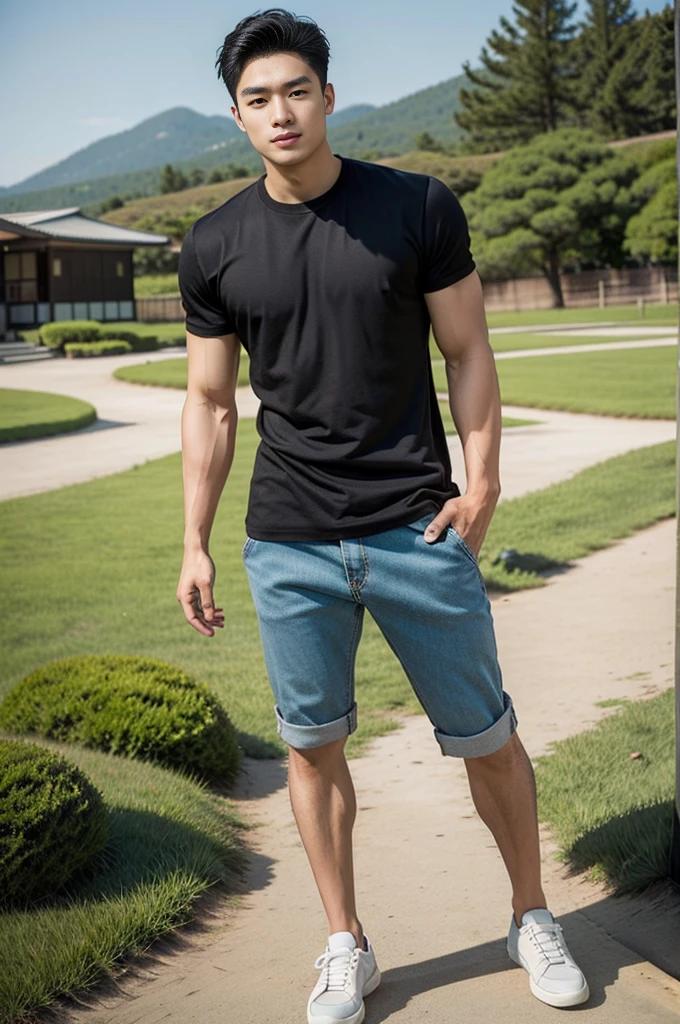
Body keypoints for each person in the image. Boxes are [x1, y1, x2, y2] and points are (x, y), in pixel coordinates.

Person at [176, 9, 590, 1022]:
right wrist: (192, 537)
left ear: (327, 94)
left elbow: (467, 349)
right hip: (287, 539)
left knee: (485, 736)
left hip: (415, 525)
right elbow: (211, 401)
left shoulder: (415, 206)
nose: (280, 111)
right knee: (311, 746)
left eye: (295, 90)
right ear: (237, 115)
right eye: (258, 98)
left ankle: (530, 915)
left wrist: (482, 478)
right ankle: (343, 943)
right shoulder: (215, 243)